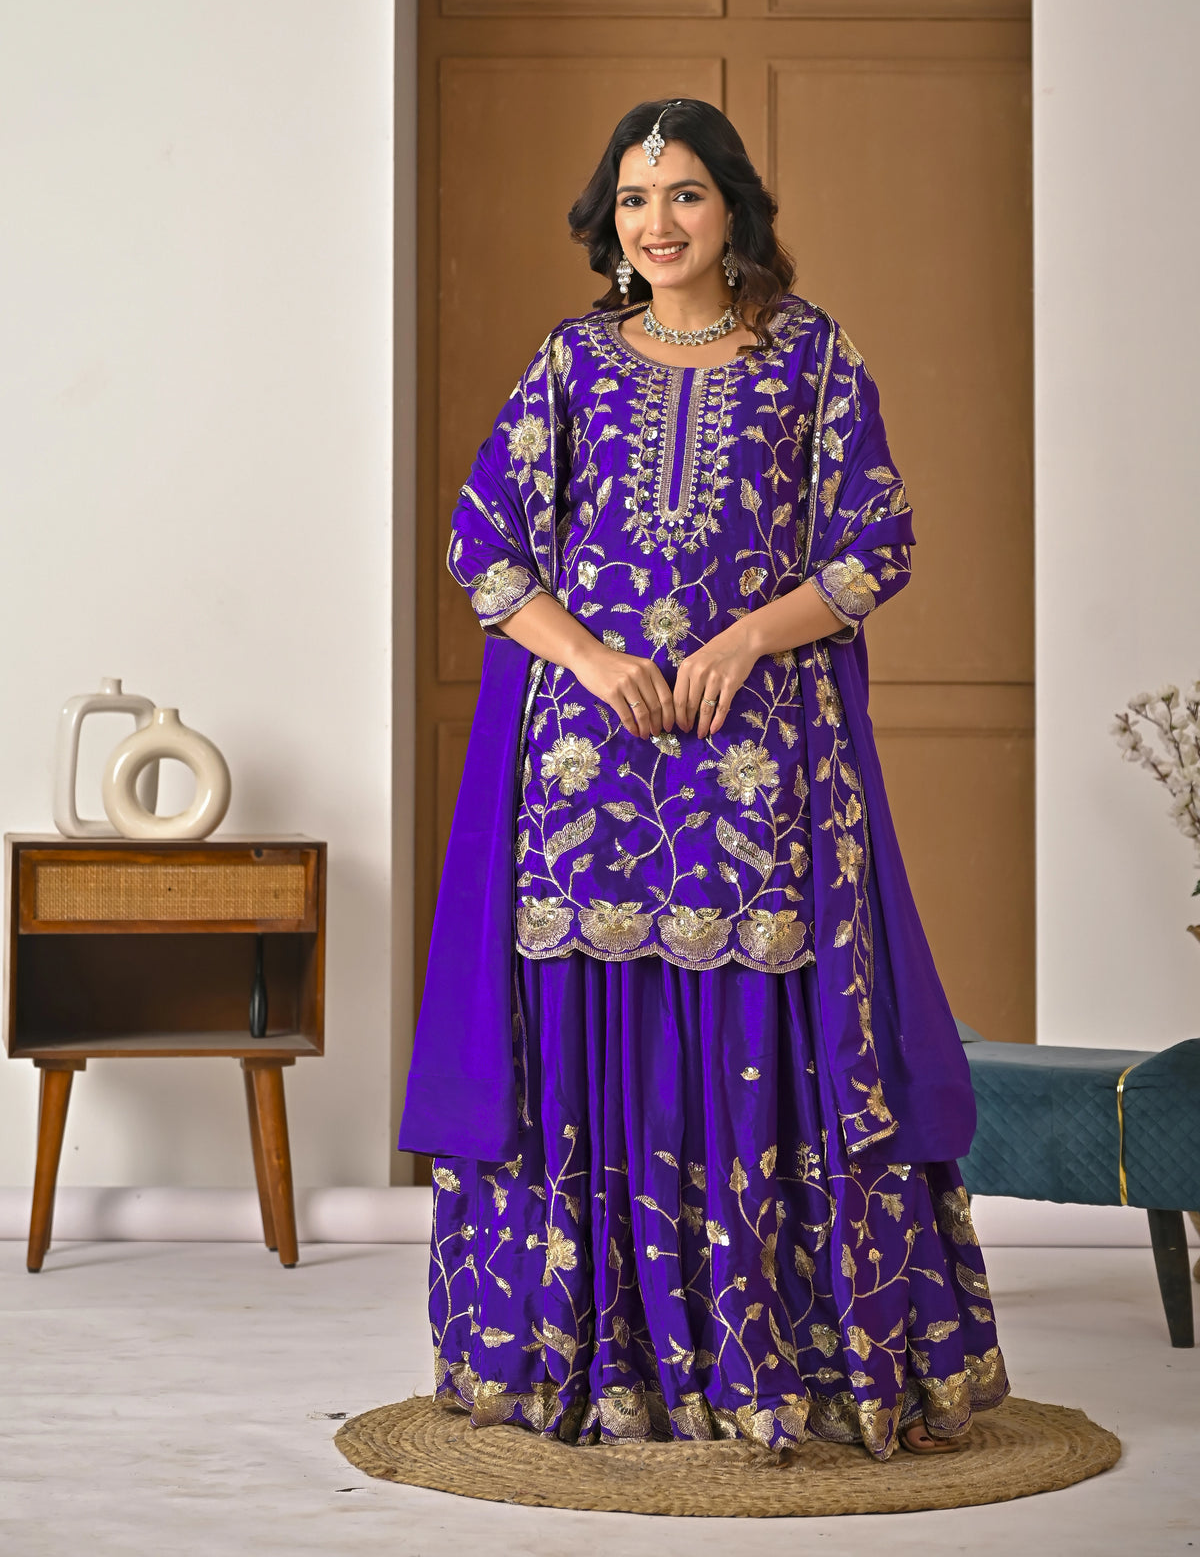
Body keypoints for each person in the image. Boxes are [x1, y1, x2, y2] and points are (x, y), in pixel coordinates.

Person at [399, 98, 1008, 1460]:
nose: (656, 222)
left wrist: (744, 636)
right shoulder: (569, 361)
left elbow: (873, 547)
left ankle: (773, 1364)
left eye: (682, 194)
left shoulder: (811, 359)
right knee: (592, 1035)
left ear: (734, 209)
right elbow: (487, 546)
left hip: (763, 757)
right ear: (608, 223)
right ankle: (598, 1364)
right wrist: (598, 663)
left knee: (764, 1048)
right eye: (632, 199)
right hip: (584, 763)